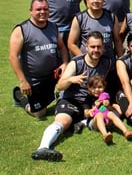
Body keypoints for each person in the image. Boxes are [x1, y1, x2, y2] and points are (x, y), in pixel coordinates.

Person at [31, 31, 112, 161]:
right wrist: (71, 79)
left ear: (103, 47)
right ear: (86, 47)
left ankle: (81, 122)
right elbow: (59, 86)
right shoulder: (76, 63)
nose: (96, 50)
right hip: (71, 101)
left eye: (99, 47)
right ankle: (43, 148)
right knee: (63, 122)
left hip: (91, 104)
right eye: (92, 47)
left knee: (107, 120)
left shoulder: (106, 62)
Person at [10, 0, 69, 118]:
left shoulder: (53, 26)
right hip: (35, 80)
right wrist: (23, 81)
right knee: (39, 113)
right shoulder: (21, 29)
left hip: (54, 74)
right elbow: (13, 57)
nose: (43, 12)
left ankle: (59, 96)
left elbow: (62, 48)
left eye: (46, 9)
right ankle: (20, 98)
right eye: (38, 9)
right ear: (30, 11)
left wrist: (65, 64)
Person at [67, 0, 124, 100]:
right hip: (89, 69)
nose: (96, 1)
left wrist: (122, 60)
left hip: (109, 68)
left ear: (104, 0)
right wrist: (85, 61)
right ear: (87, 0)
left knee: (111, 99)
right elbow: (71, 43)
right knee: (89, 99)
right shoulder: (80, 18)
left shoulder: (111, 17)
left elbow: (117, 40)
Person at [87, 75, 132, 144]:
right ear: (89, 88)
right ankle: (105, 135)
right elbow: (86, 113)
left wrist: (108, 105)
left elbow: (115, 110)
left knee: (110, 113)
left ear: (104, 87)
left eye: (100, 87)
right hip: (94, 123)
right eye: (94, 88)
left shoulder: (106, 96)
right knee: (99, 114)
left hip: (106, 121)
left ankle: (126, 132)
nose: (97, 90)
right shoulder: (88, 98)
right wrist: (95, 108)